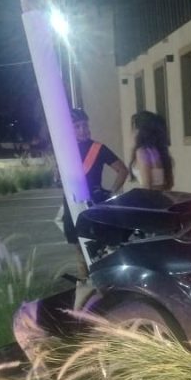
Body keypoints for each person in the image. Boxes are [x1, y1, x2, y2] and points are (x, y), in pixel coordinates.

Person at [58, 108, 128, 272]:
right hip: (71, 202)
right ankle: (85, 282)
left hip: (93, 202)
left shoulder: (98, 148)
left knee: (97, 248)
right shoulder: (65, 149)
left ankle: (100, 281)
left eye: (85, 125)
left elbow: (122, 170)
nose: (83, 130)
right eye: (77, 126)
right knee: (78, 248)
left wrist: (111, 192)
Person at [129, 110, 174, 191]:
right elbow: (169, 183)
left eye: (134, 128)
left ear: (140, 130)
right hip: (161, 195)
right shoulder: (160, 151)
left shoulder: (142, 152)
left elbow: (147, 184)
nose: (132, 132)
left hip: (149, 197)